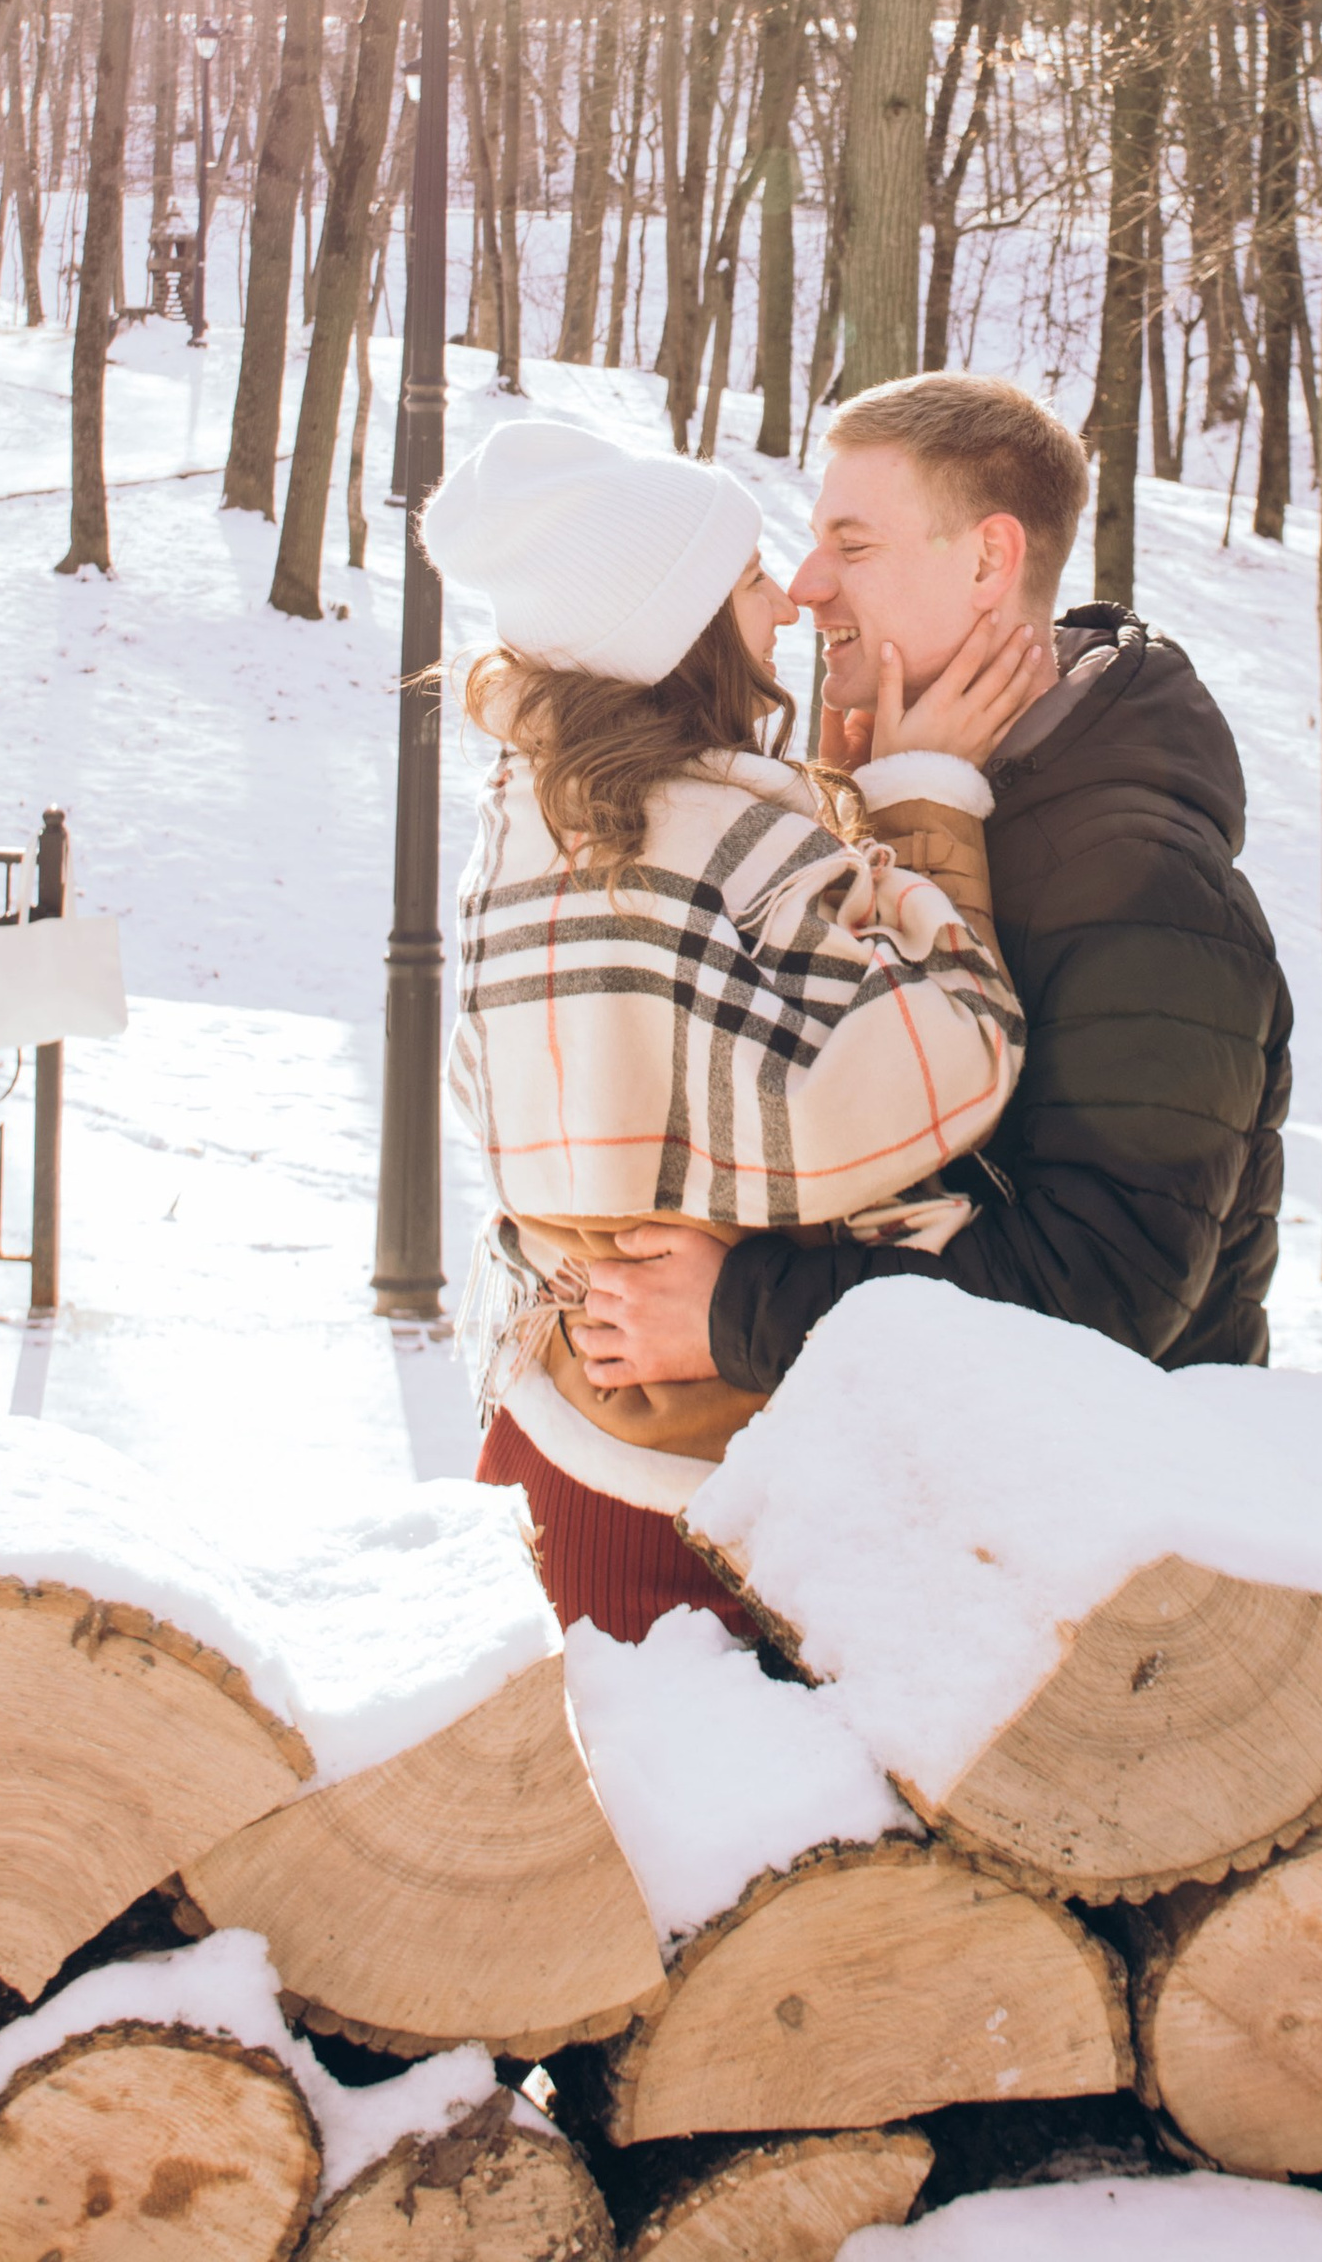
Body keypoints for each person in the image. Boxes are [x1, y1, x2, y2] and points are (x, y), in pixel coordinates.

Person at [425, 413, 1046, 1640]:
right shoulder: (722, 835)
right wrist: (918, 810)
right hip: (721, 1495)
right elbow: (940, 1065)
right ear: (686, 629)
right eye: (754, 579)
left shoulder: (523, 827)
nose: (787, 605)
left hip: (567, 1432)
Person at [574, 371, 1294, 1406]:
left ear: (991, 561)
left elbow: (1102, 1298)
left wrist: (735, 1311)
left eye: (853, 547)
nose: (808, 583)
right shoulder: (928, 803)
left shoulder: (1141, 880)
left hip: (1086, 1524)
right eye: (816, 542)